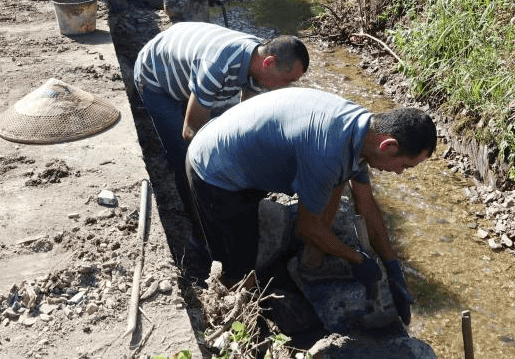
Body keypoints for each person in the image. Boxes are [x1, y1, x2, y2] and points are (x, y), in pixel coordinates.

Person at [186, 88, 435, 324]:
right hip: (215, 170)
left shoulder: (362, 129)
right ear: (388, 145)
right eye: (404, 165)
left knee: (336, 184)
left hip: (241, 153)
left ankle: (310, 263)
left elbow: (366, 206)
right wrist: (358, 260)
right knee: (240, 272)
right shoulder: (328, 152)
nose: (400, 173)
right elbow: (306, 228)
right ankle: (236, 324)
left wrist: (392, 267)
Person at [133, 22, 309, 217]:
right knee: (184, 156)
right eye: (286, 80)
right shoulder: (217, 66)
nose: (282, 88)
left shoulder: (259, 64)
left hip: (185, 64)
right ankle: (196, 221)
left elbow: (246, 119)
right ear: (269, 62)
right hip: (154, 76)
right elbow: (190, 131)